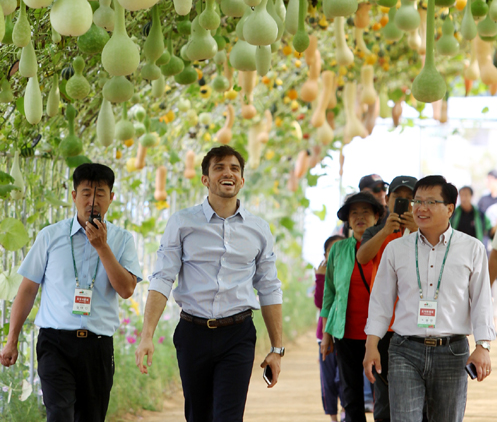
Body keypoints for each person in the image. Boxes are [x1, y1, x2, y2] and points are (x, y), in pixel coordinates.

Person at [135, 145, 283, 422]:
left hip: (237, 334)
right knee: (198, 415)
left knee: (229, 416)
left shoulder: (259, 229)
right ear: (205, 179)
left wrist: (276, 349)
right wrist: (146, 336)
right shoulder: (181, 222)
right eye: (219, 167)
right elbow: (163, 278)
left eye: (234, 169)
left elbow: (269, 286)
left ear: (241, 180)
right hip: (193, 333)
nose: (228, 172)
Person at [0, 162, 142, 422]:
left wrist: (102, 248)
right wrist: (12, 339)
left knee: (91, 416)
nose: (92, 201)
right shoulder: (50, 236)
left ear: (111, 198)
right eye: (86, 193)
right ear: (74, 196)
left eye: (100, 194)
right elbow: (28, 289)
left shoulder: (122, 240)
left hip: (97, 346)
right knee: (59, 411)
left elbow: (126, 289)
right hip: (55, 343)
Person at [364, 175, 495, 422]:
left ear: (449, 209)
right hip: (404, 350)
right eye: (417, 201)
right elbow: (380, 301)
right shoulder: (396, 249)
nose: (420, 208)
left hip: (452, 352)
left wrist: (483, 346)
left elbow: (481, 301)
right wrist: (371, 344)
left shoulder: (472, 248)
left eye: (430, 202)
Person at [356, 176, 418, 422]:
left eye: (409, 198)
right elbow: (362, 257)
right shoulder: (376, 230)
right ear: (388, 200)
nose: (403, 203)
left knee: (414, 396)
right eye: (397, 197)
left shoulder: (425, 231)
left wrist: (414, 230)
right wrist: (385, 231)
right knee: (384, 398)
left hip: (414, 325)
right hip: (384, 326)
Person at [321, 192, 385, 422]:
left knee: (383, 395)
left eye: (366, 212)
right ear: (348, 220)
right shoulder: (338, 251)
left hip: (381, 335)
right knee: (350, 395)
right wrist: (326, 334)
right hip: (346, 333)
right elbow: (329, 294)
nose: (359, 217)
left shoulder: (386, 248)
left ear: (377, 217)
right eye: (354, 213)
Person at [315, 235, 345, 422]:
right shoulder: (322, 274)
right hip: (324, 335)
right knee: (328, 380)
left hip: (345, 334)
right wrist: (320, 277)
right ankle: (332, 417)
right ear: (325, 255)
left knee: (343, 378)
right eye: (330, 251)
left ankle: (345, 411)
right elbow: (320, 302)